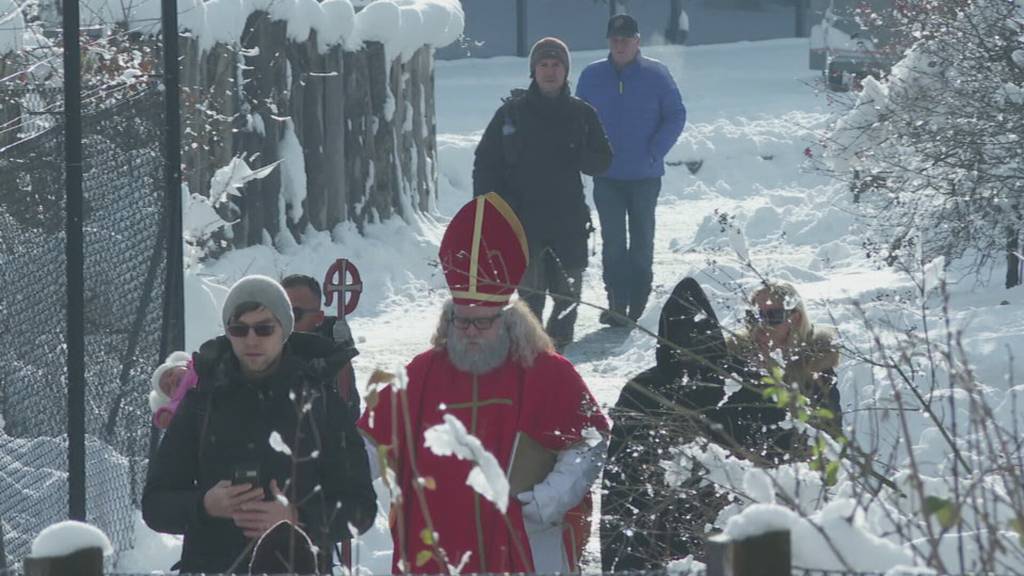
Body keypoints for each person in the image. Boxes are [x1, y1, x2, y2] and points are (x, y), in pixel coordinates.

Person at [358, 193, 609, 574]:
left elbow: (589, 441)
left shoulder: (546, 372)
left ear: (509, 320)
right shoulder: (421, 373)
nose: (471, 332)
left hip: (519, 538)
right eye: (462, 321)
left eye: (484, 322)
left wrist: (546, 503)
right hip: (435, 544)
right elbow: (368, 443)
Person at [600, 278, 841, 570]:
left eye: (772, 316)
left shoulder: (815, 376)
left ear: (796, 318)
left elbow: (826, 444)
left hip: (788, 500)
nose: (761, 326)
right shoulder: (726, 368)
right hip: (726, 506)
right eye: (753, 317)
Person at [142, 275, 377, 574]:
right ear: (228, 332)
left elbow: (361, 507)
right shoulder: (201, 403)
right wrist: (205, 505)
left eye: (264, 328)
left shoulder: (321, 402)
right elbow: (155, 505)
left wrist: (296, 516)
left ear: (285, 330)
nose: (251, 339)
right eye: (239, 329)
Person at [473, 36, 612, 351]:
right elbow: (485, 164)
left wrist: (578, 153)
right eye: (544, 64)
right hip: (523, 221)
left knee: (568, 296)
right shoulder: (510, 115)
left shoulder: (582, 113)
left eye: (557, 65)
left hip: (568, 220)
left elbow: (603, 160)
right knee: (529, 297)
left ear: (566, 71)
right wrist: (486, 210)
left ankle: (558, 353)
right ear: (533, 71)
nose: (550, 71)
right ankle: (530, 355)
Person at [577, 14, 687, 325]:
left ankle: (639, 305)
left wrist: (655, 151)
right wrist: (587, 154)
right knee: (613, 242)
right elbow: (578, 119)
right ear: (609, 42)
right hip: (607, 177)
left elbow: (676, 115)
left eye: (626, 39)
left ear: (637, 41)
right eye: (615, 39)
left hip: (645, 176)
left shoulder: (656, 74)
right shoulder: (592, 75)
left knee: (641, 241)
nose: (620, 44)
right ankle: (616, 304)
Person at [281, 273, 361, 420]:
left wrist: (342, 354)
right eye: (280, 312)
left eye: (295, 314)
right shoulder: (261, 347)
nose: (286, 322)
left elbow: (348, 413)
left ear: (318, 318)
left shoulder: (332, 358)